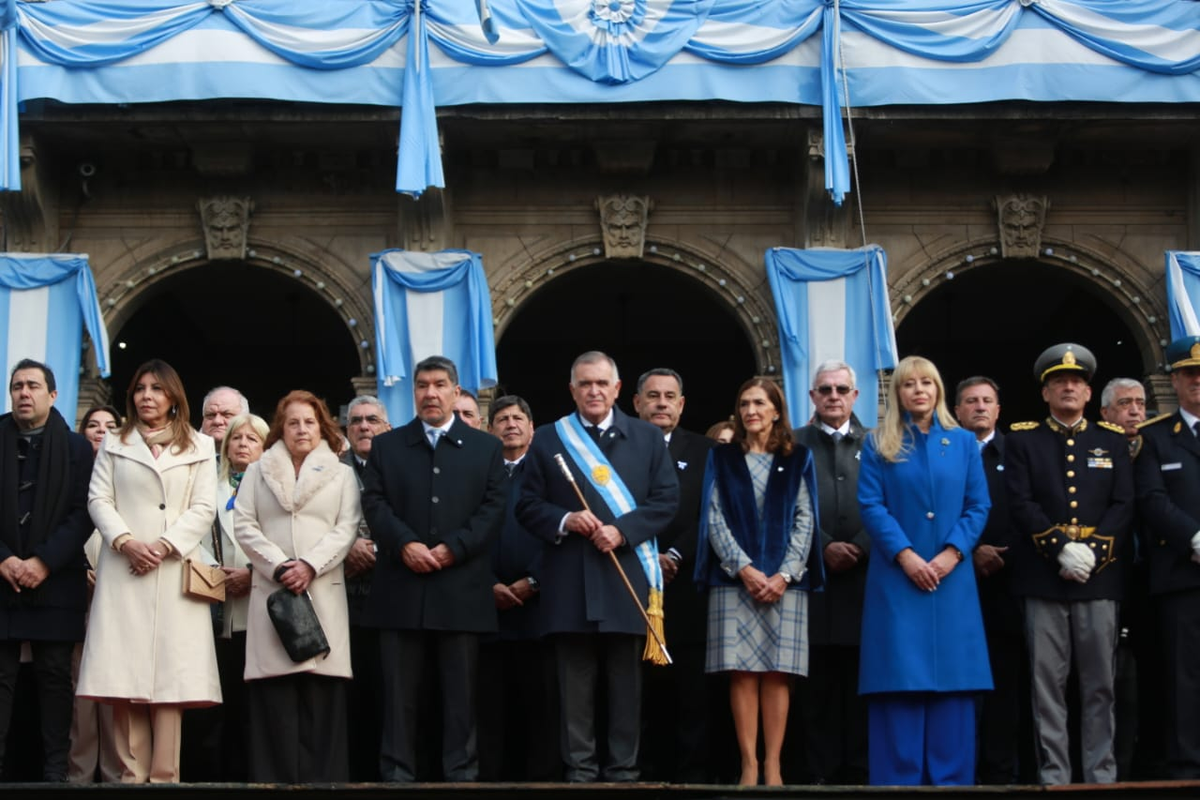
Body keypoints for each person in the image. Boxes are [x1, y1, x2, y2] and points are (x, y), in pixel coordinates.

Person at [517, 351, 679, 783]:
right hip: (569, 580)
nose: (593, 391)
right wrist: (566, 519)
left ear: (617, 390)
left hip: (624, 577)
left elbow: (666, 502)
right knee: (574, 688)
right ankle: (580, 771)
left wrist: (622, 531)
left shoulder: (646, 437)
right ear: (572, 390)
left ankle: (624, 771)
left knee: (626, 686)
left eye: (601, 383)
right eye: (585, 384)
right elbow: (527, 506)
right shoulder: (550, 438)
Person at [361, 356, 506, 782]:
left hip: (461, 590)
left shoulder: (486, 447)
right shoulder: (388, 445)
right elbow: (374, 502)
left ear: (456, 391)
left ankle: (460, 775)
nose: (430, 393)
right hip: (400, 590)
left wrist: (452, 549)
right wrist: (405, 543)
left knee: (460, 696)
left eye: (439, 384)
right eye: (422, 385)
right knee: (399, 696)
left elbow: (494, 509)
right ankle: (397, 775)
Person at [77, 358, 221, 784]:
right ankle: (129, 776)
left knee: (171, 681)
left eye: (156, 389)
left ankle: (165, 777)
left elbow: (203, 506)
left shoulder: (199, 445)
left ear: (173, 397)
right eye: (140, 389)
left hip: (173, 569)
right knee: (124, 676)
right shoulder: (115, 443)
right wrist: (126, 542)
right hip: (125, 572)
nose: (146, 397)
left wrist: (162, 545)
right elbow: (98, 499)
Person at [857, 355, 992, 786]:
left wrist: (952, 553)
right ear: (896, 393)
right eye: (909, 384)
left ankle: (951, 783)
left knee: (953, 685)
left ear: (938, 390)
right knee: (899, 682)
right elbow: (871, 505)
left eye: (927, 383)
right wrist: (907, 555)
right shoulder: (878, 443)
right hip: (898, 582)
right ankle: (898, 783)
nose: (918, 391)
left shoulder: (964, 442)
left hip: (952, 582)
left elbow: (978, 505)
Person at [1005, 343, 1133, 785]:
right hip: (1043, 575)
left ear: (1088, 390)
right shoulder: (1022, 439)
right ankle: (1055, 775)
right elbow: (1020, 502)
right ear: (1045, 393)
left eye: (1076, 381)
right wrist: (1059, 546)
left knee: (1100, 685)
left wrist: (1093, 552)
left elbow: (1123, 503)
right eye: (1058, 381)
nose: (1068, 387)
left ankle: (1101, 775)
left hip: (1099, 579)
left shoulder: (1110, 440)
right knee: (1047, 688)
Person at [695, 377, 819, 787]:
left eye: (759, 403)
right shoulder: (723, 457)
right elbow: (713, 517)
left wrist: (785, 573)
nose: (751, 410)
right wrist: (744, 568)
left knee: (778, 672)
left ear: (776, 410)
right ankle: (748, 764)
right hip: (735, 581)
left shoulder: (799, 456)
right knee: (742, 673)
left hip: (786, 582)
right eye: (744, 403)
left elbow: (805, 519)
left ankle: (774, 765)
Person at [233, 391, 360, 783]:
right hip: (274, 594)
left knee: (322, 702)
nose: (301, 429)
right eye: (293, 422)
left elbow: (347, 527)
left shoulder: (341, 473)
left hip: (321, 592)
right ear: (280, 429)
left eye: (309, 422)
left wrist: (309, 564)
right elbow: (244, 525)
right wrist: (280, 565)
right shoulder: (257, 471)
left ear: (321, 426)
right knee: (274, 701)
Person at [0, 359, 95, 781]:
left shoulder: (77, 448)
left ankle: (55, 775)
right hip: (0, 578)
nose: (23, 393)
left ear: (52, 395)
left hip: (57, 582)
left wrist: (43, 561)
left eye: (33, 385)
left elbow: (83, 513)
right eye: (17, 386)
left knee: (56, 680)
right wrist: (3, 557)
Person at [632, 368, 718, 783]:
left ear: (682, 405)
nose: (661, 403)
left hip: (686, 593)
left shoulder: (705, 452)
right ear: (636, 404)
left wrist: (676, 554)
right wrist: (647, 558)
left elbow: (711, 513)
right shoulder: (616, 449)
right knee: (640, 696)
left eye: (669, 396)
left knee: (691, 698)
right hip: (631, 589)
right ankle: (644, 774)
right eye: (652, 396)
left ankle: (692, 779)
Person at [793, 360, 869, 785]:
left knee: (859, 683)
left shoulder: (876, 444)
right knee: (816, 687)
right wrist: (822, 546)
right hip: (812, 581)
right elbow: (785, 505)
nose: (834, 396)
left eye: (842, 389)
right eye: (825, 389)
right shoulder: (793, 443)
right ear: (813, 397)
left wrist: (860, 545)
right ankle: (818, 773)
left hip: (864, 580)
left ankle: (859, 770)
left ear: (855, 396)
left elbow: (889, 504)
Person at [477, 395, 560, 782]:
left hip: (538, 609)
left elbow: (559, 534)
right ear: (490, 430)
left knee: (540, 707)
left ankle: (540, 783)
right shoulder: (480, 472)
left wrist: (534, 580)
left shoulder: (549, 471)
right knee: (491, 709)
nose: (510, 424)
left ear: (531, 426)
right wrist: (487, 583)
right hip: (488, 609)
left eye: (517, 418)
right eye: (501, 419)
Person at [953, 376, 1031, 784]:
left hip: (1009, 582)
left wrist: (1002, 554)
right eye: (970, 401)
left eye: (987, 401)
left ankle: (1002, 775)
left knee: (1006, 685)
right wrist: (972, 550)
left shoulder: (1018, 451)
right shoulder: (946, 452)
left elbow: (1031, 506)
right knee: (961, 684)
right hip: (956, 582)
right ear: (957, 410)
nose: (979, 407)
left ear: (999, 410)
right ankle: (963, 771)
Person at [1133, 336, 1200, 779]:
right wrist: (1194, 538)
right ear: (1173, 380)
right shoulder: (1155, 437)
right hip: (1182, 573)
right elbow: (1151, 499)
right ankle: (1187, 765)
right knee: (1184, 678)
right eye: (1189, 374)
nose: (1198, 381)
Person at [1099, 376, 1159, 779]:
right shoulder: (1095, 449)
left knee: (1159, 671)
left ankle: (1151, 761)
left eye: (1140, 403)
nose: (1135, 410)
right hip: (1105, 574)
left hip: (1155, 577)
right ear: (1105, 413)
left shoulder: (1158, 446)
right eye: (1124, 404)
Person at [68, 406, 123, 784]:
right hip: (76, 591)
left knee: (117, 686)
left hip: (121, 586)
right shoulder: (70, 470)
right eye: (93, 425)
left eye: (110, 426)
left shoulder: (127, 471)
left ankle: (118, 773)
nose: (101, 432)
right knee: (79, 690)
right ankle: (79, 774)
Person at [340, 395, 390, 781]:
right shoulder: (330, 470)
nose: (364, 426)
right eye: (356, 421)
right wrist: (347, 547)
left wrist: (378, 548)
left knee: (391, 696)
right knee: (350, 699)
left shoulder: (401, 466)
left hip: (391, 599)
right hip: (343, 602)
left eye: (372, 419)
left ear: (386, 427)